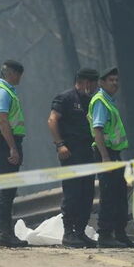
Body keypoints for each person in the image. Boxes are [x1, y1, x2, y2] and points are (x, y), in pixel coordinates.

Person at [47, 67, 99, 248]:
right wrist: (60, 145)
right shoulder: (66, 98)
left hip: (87, 152)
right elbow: (52, 120)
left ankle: (80, 231)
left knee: (87, 193)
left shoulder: (91, 101)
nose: (94, 88)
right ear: (86, 82)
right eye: (93, 84)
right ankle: (68, 232)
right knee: (72, 193)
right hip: (71, 153)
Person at [88, 67, 134, 247]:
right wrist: (105, 157)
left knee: (119, 193)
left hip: (114, 154)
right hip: (105, 154)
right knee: (108, 194)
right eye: (111, 80)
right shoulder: (100, 101)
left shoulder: (109, 101)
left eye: (116, 80)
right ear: (101, 82)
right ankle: (105, 234)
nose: (115, 83)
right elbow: (97, 131)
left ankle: (120, 233)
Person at [0, 59, 29, 247]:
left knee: (9, 189)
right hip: (6, 142)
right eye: (18, 74)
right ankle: (4, 234)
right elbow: (3, 121)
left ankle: (6, 232)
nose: (19, 78)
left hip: (8, 141)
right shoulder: (3, 92)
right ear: (10, 73)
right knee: (6, 189)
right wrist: (12, 147)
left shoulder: (8, 91)